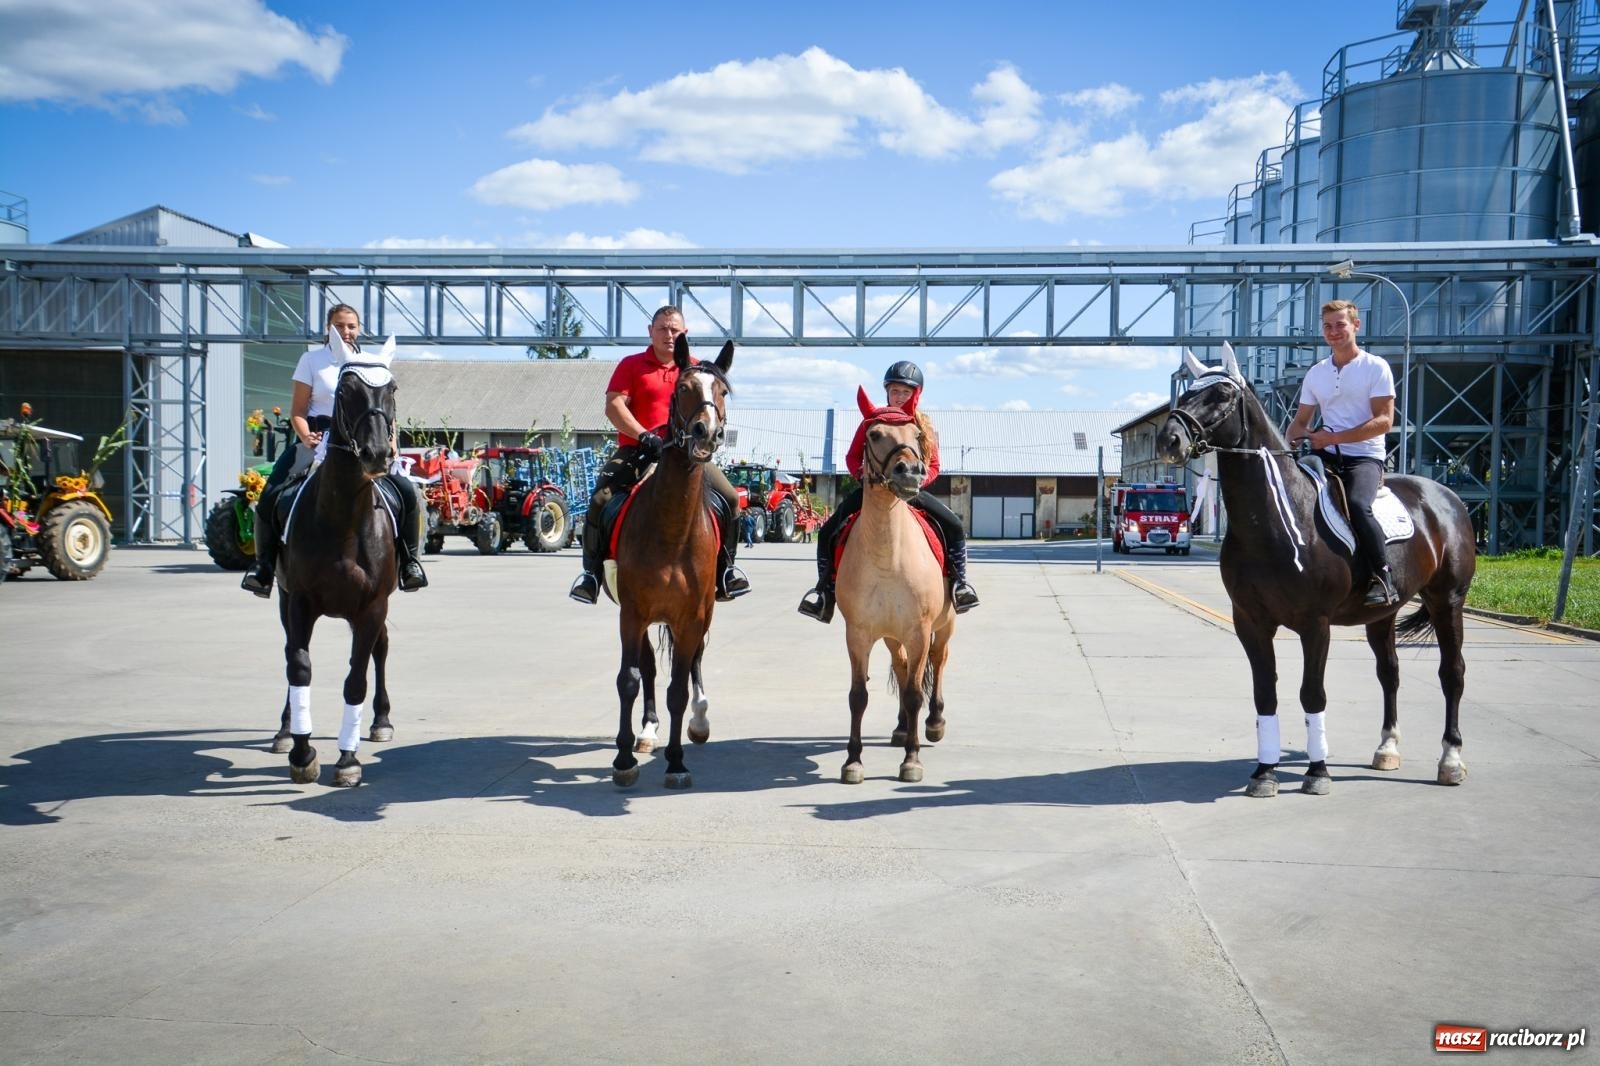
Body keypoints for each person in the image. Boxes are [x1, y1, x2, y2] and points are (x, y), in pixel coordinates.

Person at [242, 304, 428, 597]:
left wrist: (390, 440)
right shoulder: (311, 360)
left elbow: (382, 408)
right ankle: (263, 567)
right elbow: (298, 411)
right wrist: (305, 437)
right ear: (328, 329)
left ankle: (409, 563)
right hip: (317, 438)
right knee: (272, 493)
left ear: (359, 329)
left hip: (364, 442)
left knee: (406, 491)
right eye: (339, 325)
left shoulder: (370, 362)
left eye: (351, 326)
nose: (346, 331)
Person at [568, 305, 749, 604]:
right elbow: (614, 406)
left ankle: (726, 571)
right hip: (638, 451)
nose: (668, 335)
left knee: (729, 497)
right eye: (662, 329)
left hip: (687, 457)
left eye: (675, 330)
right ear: (650, 331)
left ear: (684, 335)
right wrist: (644, 435)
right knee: (600, 498)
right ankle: (590, 575)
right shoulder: (631, 365)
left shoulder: (695, 370)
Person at [797, 361, 979, 623]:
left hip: (911, 490)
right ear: (887, 393)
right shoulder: (873, 422)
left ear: (916, 394)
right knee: (827, 530)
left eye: (906, 392)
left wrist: (917, 480)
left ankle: (959, 584)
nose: (900, 396)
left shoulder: (923, 427)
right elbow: (852, 457)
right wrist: (864, 478)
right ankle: (824, 592)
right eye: (895, 391)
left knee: (953, 526)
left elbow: (935, 465)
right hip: (875, 490)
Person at [1287, 298, 1399, 606]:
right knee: (1291, 494)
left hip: (1364, 456)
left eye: (1340, 325)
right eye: (1327, 326)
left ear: (1356, 326)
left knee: (1358, 505)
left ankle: (1383, 576)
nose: (1333, 331)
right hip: (1326, 454)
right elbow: (1300, 421)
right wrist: (1291, 440)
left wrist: (1333, 438)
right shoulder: (1317, 373)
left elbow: (1384, 422)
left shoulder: (1375, 367)